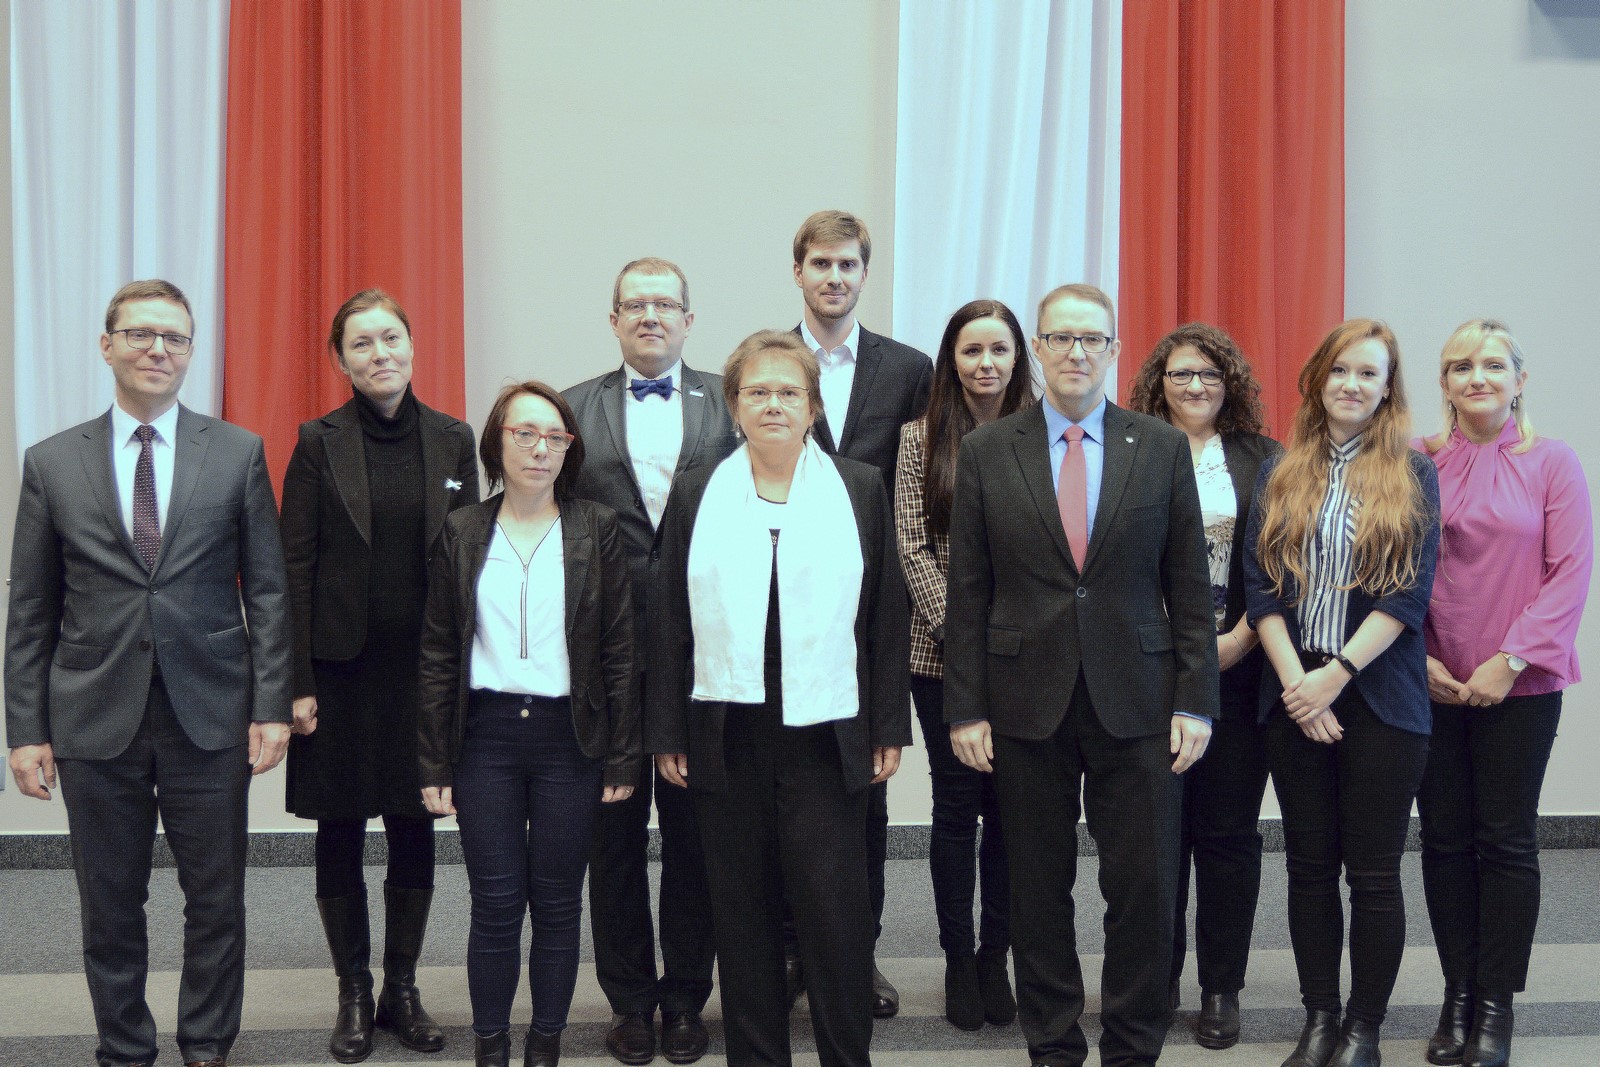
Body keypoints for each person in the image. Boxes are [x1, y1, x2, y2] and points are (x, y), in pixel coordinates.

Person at [5, 279, 292, 1067]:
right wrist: (25, 729)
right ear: (107, 346)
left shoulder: (236, 452)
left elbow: (268, 590)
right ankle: (124, 1047)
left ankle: (206, 1044)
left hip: (209, 710)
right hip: (93, 714)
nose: (157, 349)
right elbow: (30, 606)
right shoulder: (52, 461)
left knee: (216, 899)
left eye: (174, 337)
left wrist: (270, 704)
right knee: (109, 903)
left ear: (191, 352)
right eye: (140, 334)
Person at [944, 283, 1218, 1067]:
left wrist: (1196, 700)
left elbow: (1189, 588)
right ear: (1038, 348)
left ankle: (1132, 1046)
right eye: (1060, 337)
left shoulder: (1159, 446)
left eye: (1091, 338)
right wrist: (965, 707)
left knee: (1144, 888)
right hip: (1024, 699)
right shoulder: (988, 450)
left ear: (1114, 350)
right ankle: (1054, 1046)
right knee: (1037, 889)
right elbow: (969, 590)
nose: (1075, 351)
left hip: (1141, 699)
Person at [649, 330, 911, 1067]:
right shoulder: (698, 489)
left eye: (788, 391)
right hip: (726, 726)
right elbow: (668, 615)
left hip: (827, 730)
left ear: (812, 406)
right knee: (743, 913)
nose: (773, 404)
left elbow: (886, 614)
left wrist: (887, 723)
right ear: (734, 406)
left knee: (834, 914)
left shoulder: (859, 485)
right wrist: (668, 730)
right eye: (757, 391)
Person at [279, 288, 480, 1062]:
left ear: (412, 345)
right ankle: (354, 991)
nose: (380, 354)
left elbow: (468, 560)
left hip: (422, 673)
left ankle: (402, 986)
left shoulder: (454, 439)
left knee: (413, 820)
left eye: (391, 338)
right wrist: (295, 680)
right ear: (341, 359)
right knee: (339, 825)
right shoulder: (317, 441)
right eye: (361, 343)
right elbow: (294, 565)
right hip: (338, 673)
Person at [417, 382, 639, 1067]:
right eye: (525, 433)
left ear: (569, 449)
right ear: (497, 443)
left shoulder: (596, 527)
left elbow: (619, 650)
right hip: (484, 738)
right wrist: (433, 761)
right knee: (494, 902)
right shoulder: (462, 530)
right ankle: (491, 1044)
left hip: (569, 738)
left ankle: (545, 1043)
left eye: (555, 437)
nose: (541, 448)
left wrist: (623, 755)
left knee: (558, 901)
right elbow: (438, 652)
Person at [1244, 318, 1440, 1067]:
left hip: (1380, 696)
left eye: (1368, 373)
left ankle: (1364, 1029)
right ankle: (1320, 1018)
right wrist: (1299, 683)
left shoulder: (1413, 473)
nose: (1351, 385)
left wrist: (1336, 676)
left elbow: (1408, 596)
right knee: (1308, 868)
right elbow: (1260, 589)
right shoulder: (1280, 469)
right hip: (1294, 696)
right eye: (1339, 371)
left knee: (1374, 872)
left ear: (1387, 388)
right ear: (1317, 380)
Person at [562, 258, 734, 1066]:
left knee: (697, 836)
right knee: (614, 836)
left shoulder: (733, 402)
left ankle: (687, 997)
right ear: (613, 319)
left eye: (666, 303)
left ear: (689, 320)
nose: (650, 315)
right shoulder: (572, 408)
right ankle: (630, 1000)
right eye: (635, 304)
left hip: (705, 652)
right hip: (608, 655)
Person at [1413, 319, 1591, 1067]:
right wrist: (1417, 659)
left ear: (1520, 380)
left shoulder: (1552, 462)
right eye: (1461, 366)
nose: (1476, 376)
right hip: (1428, 681)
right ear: (1445, 383)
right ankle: (1456, 993)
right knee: (1444, 840)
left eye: (1492, 364)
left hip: (1521, 683)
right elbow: (1389, 565)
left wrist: (1509, 661)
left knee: (1506, 840)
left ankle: (1496, 1003)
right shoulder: (1416, 459)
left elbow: (1570, 573)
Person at [789, 209, 931, 1017]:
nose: (835, 277)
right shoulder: (769, 362)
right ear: (799, 272)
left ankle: (857, 953)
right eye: (821, 263)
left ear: (865, 275)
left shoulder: (908, 369)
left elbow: (920, 486)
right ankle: (788, 951)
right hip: (784, 607)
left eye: (848, 264)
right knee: (784, 787)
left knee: (865, 793)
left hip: (874, 611)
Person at [1126, 322, 1281, 1050]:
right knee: (1156, 839)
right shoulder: (1130, 449)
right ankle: (1156, 979)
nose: (1196, 386)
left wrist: (1241, 637)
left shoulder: (1263, 458)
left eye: (1210, 375)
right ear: (1158, 382)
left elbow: (1283, 559)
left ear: (1231, 384)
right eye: (1182, 374)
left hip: (1237, 671)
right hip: (1148, 672)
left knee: (1227, 836)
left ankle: (1222, 985)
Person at [892, 299, 1031, 1031]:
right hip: (939, 653)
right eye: (972, 350)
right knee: (955, 809)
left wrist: (1014, 632)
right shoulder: (920, 437)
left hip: (1030, 653)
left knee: (1011, 811)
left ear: (1017, 357)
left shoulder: (1044, 433)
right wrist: (968, 633)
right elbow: (912, 544)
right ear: (952, 359)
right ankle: (956, 956)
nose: (986, 363)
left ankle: (995, 955)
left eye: (999, 349)